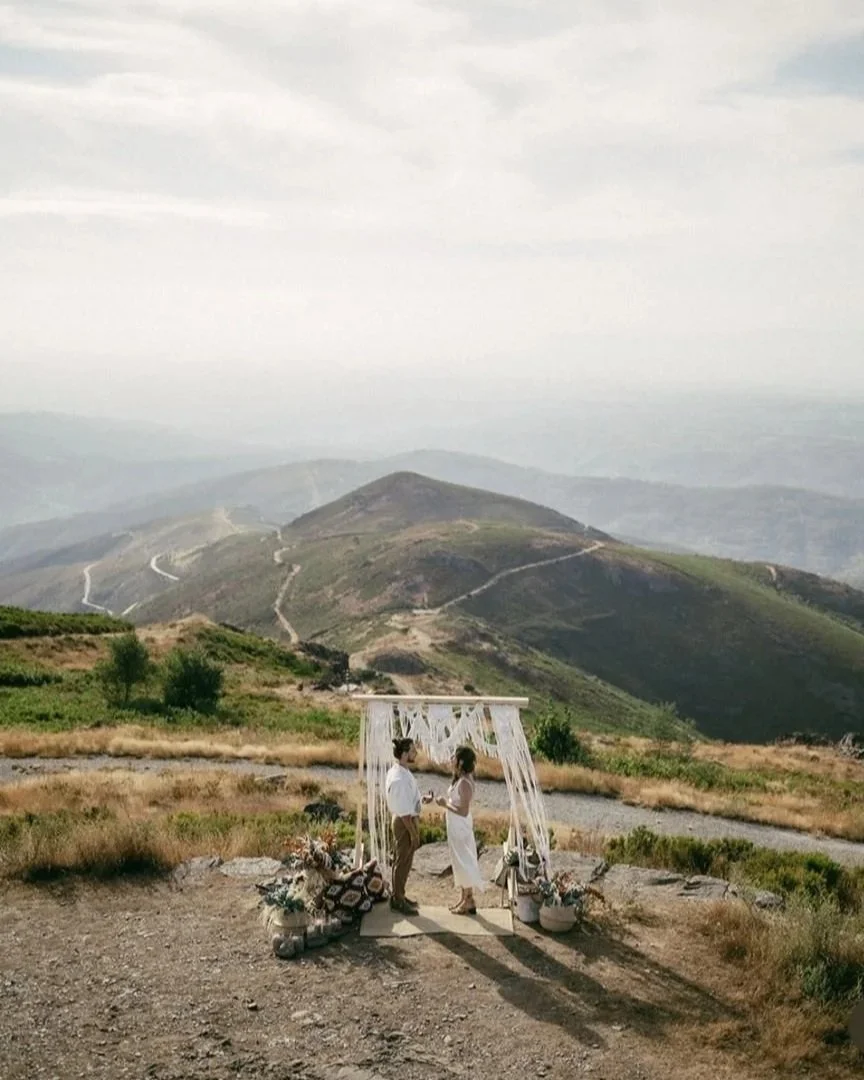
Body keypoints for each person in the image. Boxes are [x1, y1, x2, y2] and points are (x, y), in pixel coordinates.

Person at [433, 745, 484, 915]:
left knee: (464, 861)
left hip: (461, 827)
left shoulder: (464, 783)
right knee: (459, 861)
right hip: (455, 826)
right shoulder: (460, 779)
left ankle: (469, 899)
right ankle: (464, 898)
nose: (451, 760)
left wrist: (444, 804)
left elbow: (463, 811)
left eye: (454, 757)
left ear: (461, 761)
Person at [385, 737, 422, 915]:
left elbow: (410, 799)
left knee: (405, 861)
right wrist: (413, 833)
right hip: (403, 822)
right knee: (402, 862)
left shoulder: (402, 771)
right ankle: (398, 899)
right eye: (413, 751)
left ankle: (400, 894)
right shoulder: (398, 778)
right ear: (406, 754)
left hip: (407, 819)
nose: (416, 753)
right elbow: (404, 811)